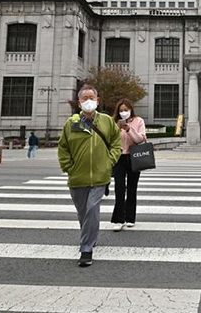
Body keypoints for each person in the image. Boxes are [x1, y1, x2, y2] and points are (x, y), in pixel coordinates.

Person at [58, 85, 122, 267]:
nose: (88, 101)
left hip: (100, 176)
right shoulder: (71, 123)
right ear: (79, 103)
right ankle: (90, 236)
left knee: (92, 208)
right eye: (84, 98)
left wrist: (109, 162)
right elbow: (63, 148)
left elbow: (116, 143)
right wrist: (68, 167)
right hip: (78, 177)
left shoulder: (107, 121)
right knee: (83, 212)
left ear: (97, 100)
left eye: (91, 97)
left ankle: (86, 248)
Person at [111, 98, 147, 232]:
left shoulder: (138, 121)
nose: (123, 113)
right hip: (119, 158)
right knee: (119, 188)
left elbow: (140, 139)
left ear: (131, 109)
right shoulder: (113, 122)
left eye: (126, 110)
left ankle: (130, 218)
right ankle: (118, 219)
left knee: (132, 188)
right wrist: (117, 129)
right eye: (121, 110)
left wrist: (128, 129)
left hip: (134, 157)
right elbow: (109, 139)